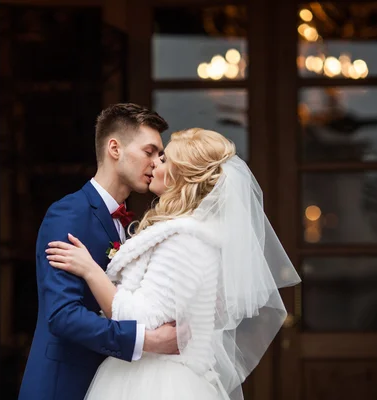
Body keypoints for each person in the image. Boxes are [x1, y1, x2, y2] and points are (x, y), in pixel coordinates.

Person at [46, 128, 302, 400]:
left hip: (155, 383)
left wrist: (89, 270)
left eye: (165, 159)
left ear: (183, 178)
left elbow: (140, 318)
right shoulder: (191, 234)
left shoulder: (186, 240)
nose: (155, 162)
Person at [19, 104, 182, 400]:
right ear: (115, 148)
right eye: (149, 151)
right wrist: (147, 340)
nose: (157, 162)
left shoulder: (133, 224)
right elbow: (63, 315)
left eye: (160, 155)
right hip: (64, 387)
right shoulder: (68, 214)